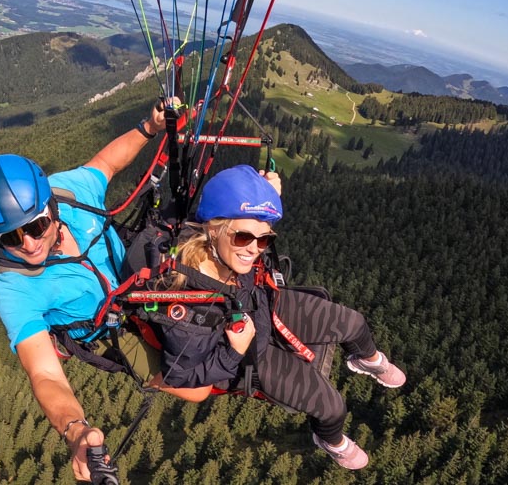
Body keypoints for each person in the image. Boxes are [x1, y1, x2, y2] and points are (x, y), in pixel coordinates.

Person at [0, 98, 208, 482]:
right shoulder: (13, 286)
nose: (28, 244)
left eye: (37, 226)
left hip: (133, 276)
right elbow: (44, 373)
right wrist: (75, 430)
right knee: (197, 389)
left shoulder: (67, 193)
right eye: (11, 237)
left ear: (51, 209)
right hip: (111, 330)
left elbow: (105, 165)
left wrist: (149, 127)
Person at [155, 164, 406, 470]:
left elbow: (228, 207)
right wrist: (233, 351)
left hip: (264, 306)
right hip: (249, 357)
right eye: (244, 238)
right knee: (332, 408)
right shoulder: (186, 303)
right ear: (213, 229)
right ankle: (331, 441)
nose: (253, 250)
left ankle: (366, 359)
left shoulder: (216, 233)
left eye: (264, 239)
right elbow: (180, 376)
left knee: (354, 323)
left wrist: (266, 193)